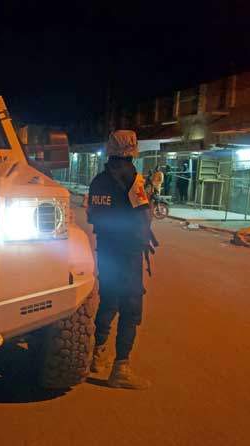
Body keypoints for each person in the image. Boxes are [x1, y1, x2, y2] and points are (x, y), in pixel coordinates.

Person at [87, 130, 158, 390]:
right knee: (131, 309)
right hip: (127, 253)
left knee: (108, 302)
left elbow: (93, 215)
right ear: (132, 148)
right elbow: (143, 217)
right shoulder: (134, 180)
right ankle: (121, 370)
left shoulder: (98, 181)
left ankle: (97, 355)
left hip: (105, 250)